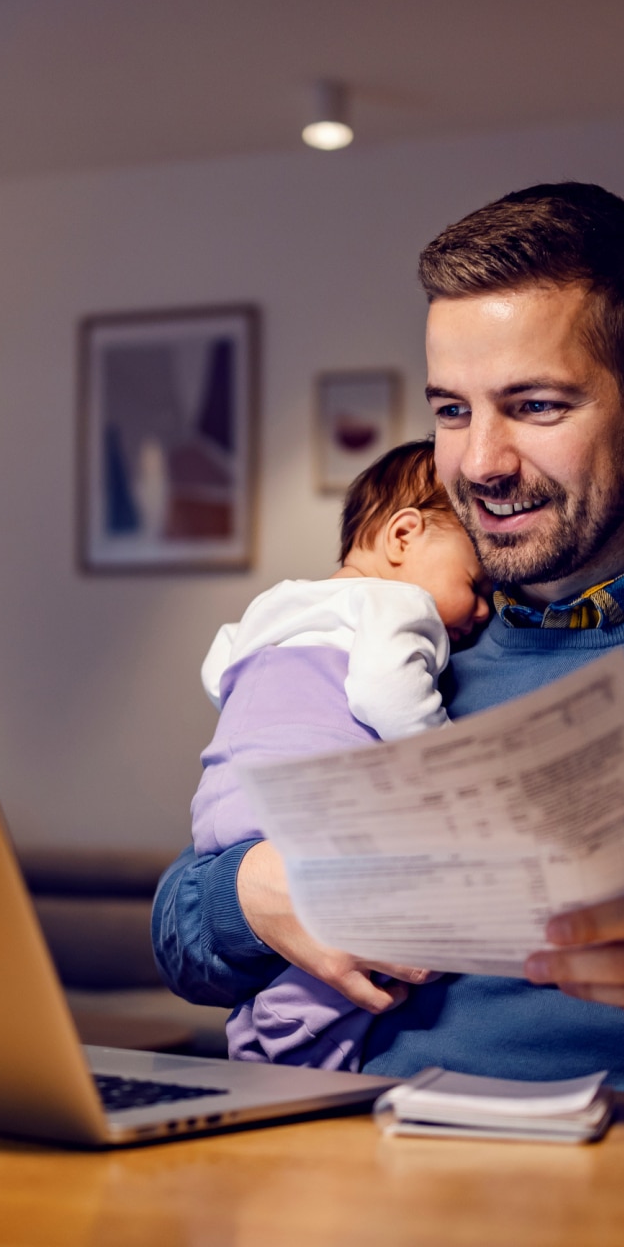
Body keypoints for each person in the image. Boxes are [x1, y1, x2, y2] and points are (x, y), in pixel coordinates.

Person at [153, 181, 624, 1096]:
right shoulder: (405, 647)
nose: (480, 463)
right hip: (360, 1190)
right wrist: (246, 896)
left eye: (536, 406)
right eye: (452, 410)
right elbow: (183, 937)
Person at [193, 439, 488, 1069]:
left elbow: (219, 668)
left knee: (294, 934)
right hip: (313, 802)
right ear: (404, 536)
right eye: (476, 583)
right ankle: (301, 1010)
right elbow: (386, 692)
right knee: (438, 908)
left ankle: (254, 1028)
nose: (485, 612)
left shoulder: (274, 602)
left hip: (225, 805)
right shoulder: (400, 605)